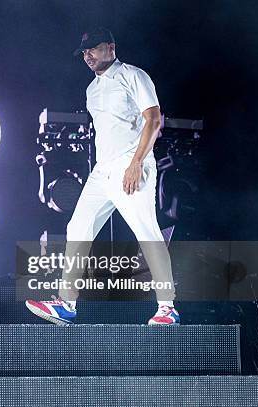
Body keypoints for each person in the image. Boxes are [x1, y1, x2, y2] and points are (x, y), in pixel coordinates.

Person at [25, 27, 179, 325]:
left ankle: (167, 308)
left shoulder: (134, 76)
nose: (87, 55)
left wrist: (136, 162)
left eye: (93, 49)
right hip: (102, 170)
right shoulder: (91, 90)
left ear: (111, 47)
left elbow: (154, 119)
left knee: (147, 233)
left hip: (131, 164)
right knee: (78, 227)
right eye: (84, 52)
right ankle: (66, 304)